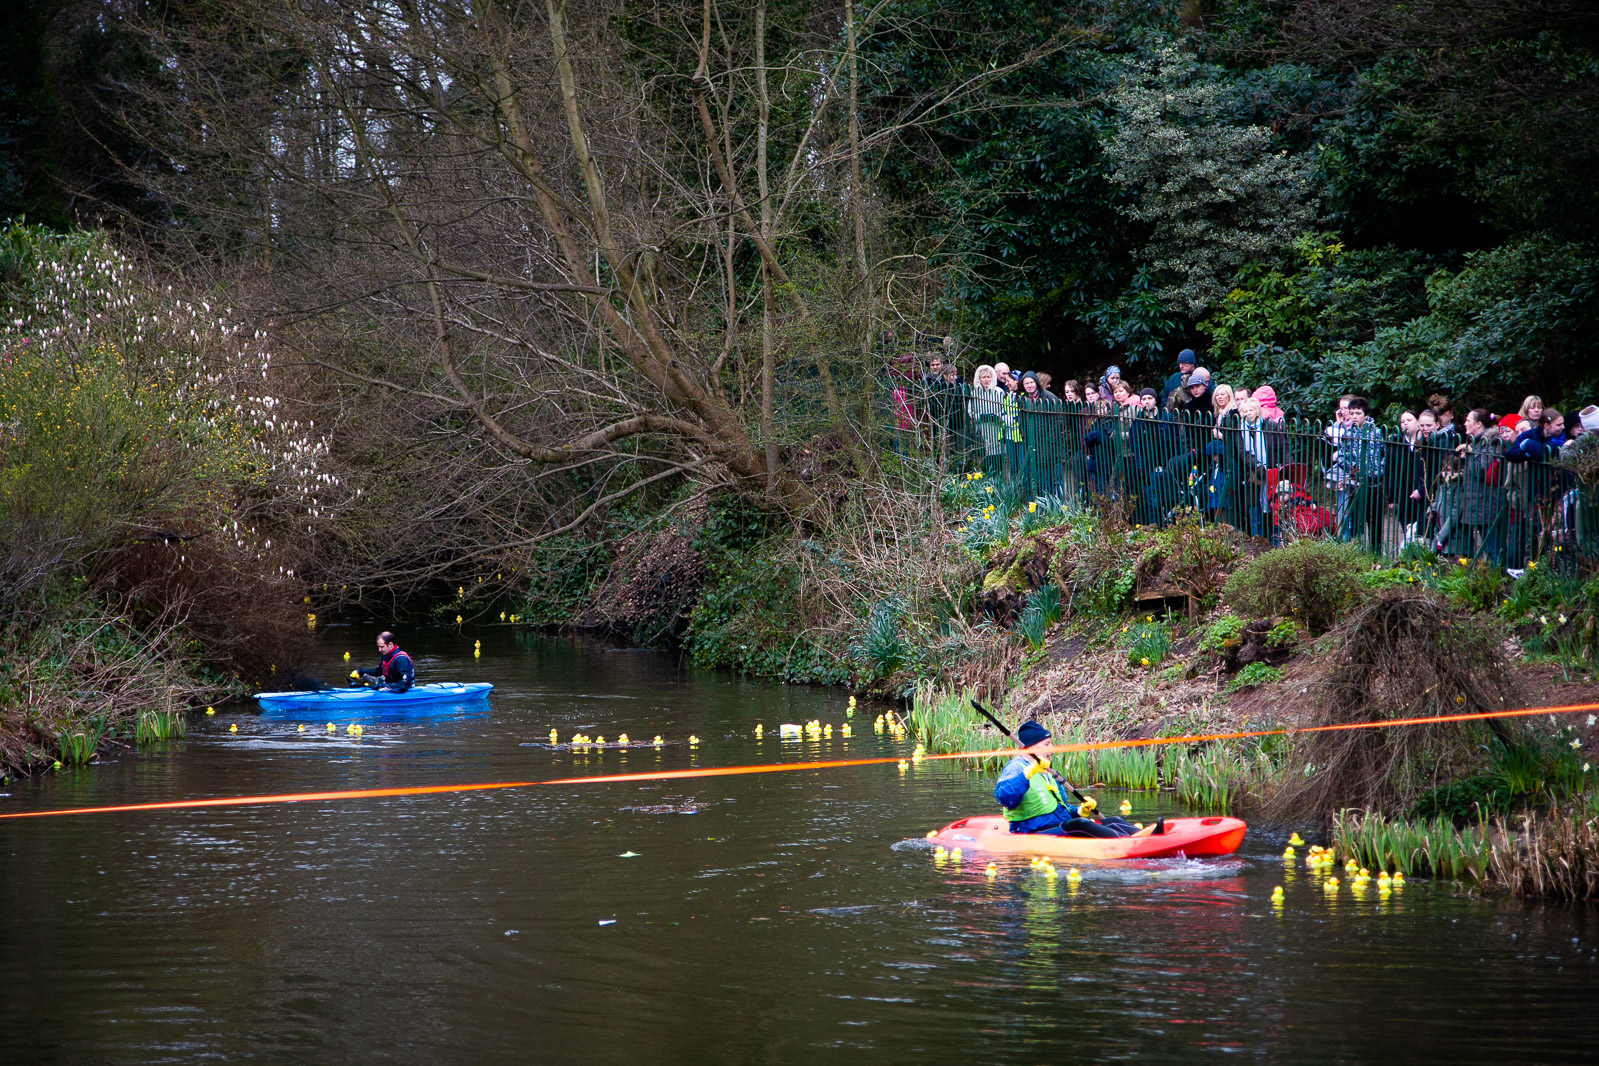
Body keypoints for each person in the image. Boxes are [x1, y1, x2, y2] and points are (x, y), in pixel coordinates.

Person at [993, 722, 1155, 838]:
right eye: (1047, 744)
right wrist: (1027, 773)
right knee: (1080, 824)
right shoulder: (1016, 767)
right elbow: (1004, 797)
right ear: (1032, 748)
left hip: (1054, 825)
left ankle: (1147, 836)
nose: (1052, 749)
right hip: (1029, 831)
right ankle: (1130, 843)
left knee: (1112, 820)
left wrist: (1079, 811)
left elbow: (1058, 808)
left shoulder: (1045, 770)